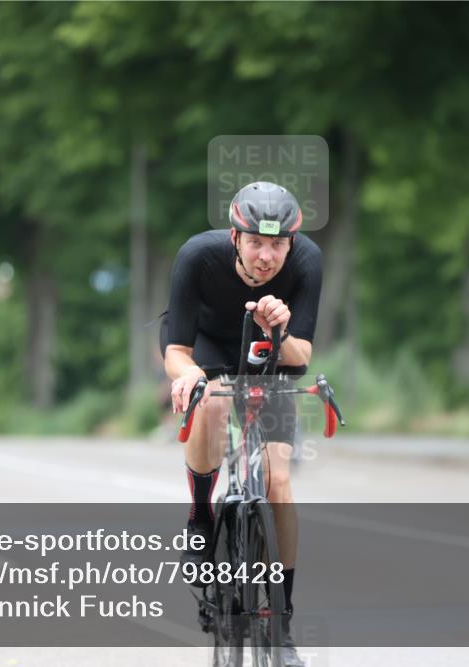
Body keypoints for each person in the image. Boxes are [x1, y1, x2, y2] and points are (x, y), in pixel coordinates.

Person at [161, 181, 322, 666]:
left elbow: (302, 358)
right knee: (209, 402)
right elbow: (175, 350)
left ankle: (283, 621)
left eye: (277, 245)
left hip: (268, 355)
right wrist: (189, 376)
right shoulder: (198, 257)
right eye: (256, 242)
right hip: (207, 346)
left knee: (279, 484)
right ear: (235, 238)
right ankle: (201, 518)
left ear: (290, 243)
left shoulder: (308, 261)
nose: (266, 256)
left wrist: (282, 329)